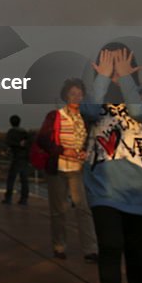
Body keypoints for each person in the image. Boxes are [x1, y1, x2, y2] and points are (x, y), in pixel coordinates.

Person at [82, 45, 142, 283]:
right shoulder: (94, 98)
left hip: (139, 188)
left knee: (136, 250)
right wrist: (103, 80)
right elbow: (90, 111)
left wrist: (126, 80)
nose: (116, 70)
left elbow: (139, 112)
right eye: (110, 65)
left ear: (133, 68)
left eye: (121, 64)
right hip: (104, 188)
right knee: (110, 246)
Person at [35, 78, 98, 262]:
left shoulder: (86, 119)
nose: (76, 97)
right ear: (65, 96)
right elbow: (43, 140)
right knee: (58, 210)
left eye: (79, 94)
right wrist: (63, 150)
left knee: (83, 208)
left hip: (78, 169)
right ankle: (59, 246)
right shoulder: (55, 116)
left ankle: (90, 249)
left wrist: (86, 152)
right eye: (73, 94)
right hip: (58, 168)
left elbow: (92, 140)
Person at [1, 115, 30, 205]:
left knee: (11, 178)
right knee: (24, 179)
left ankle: (8, 198)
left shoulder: (11, 132)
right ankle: (24, 199)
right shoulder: (24, 132)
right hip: (24, 158)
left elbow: (8, 143)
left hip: (16, 157)